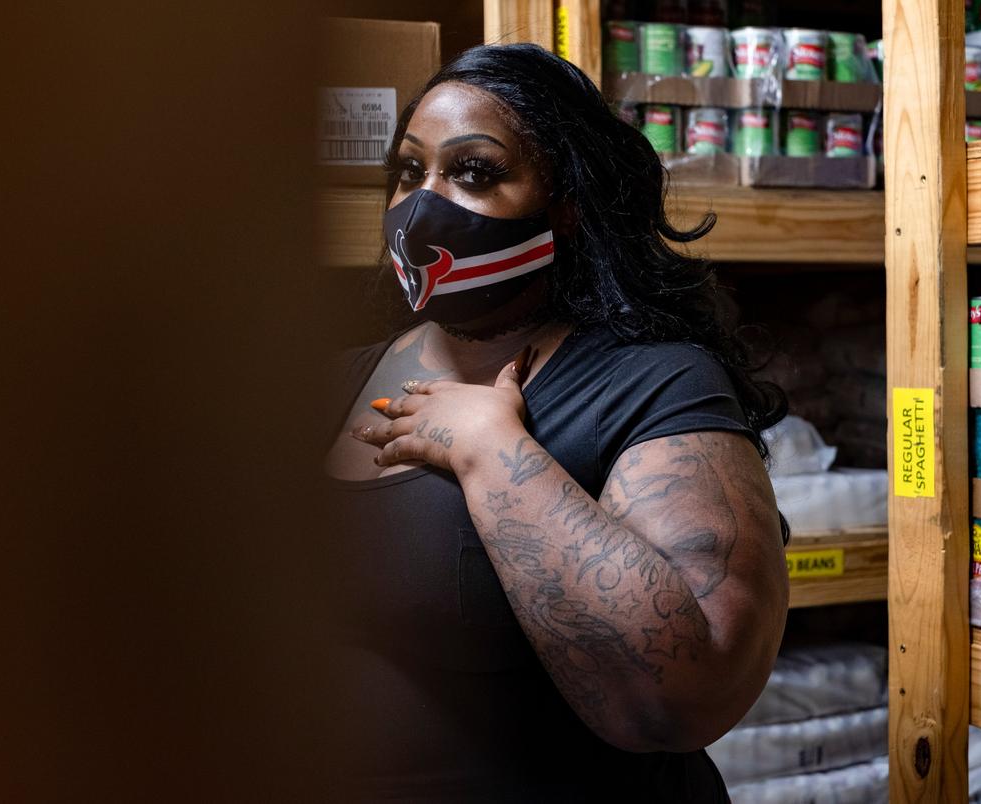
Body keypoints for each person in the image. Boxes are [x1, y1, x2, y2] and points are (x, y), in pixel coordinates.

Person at [322, 43, 789, 803]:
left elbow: (687, 692)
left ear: (567, 204)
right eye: (410, 173)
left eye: (472, 171)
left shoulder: (652, 382)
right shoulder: (335, 378)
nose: (422, 204)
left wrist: (492, 452)